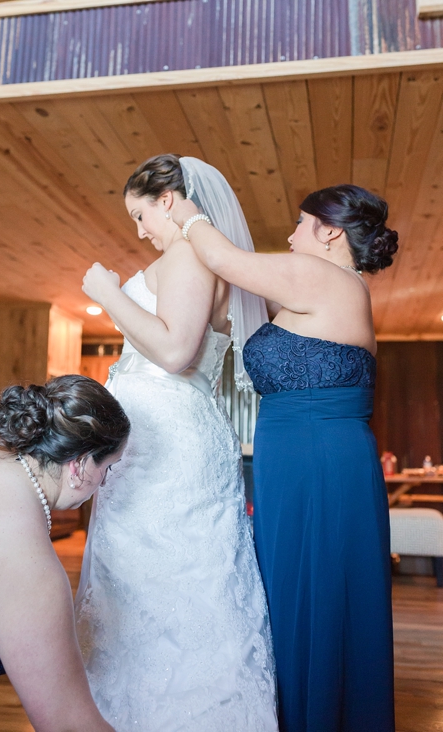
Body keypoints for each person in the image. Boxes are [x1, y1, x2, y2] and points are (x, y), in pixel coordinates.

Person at [171, 183, 398, 731]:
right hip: (300, 457)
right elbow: (237, 295)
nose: (292, 235)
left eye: (301, 224)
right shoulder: (317, 287)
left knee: (313, 590)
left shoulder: (324, 277)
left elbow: (225, 257)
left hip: (318, 459)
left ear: (331, 232)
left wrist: (187, 214)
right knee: (302, 589)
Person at [76, 154, 278, 730]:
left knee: (170, 585)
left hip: (169, 443)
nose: (139, 232)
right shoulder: (198, 255)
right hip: (165, 436)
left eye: (141, 215)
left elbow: (174, 351)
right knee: (158, 582)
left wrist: (109, 294)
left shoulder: (190, 253)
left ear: (168, 199)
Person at [0, 376, 130, 732]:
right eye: (107, 467)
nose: (106, 482)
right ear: (79, 465)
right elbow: (69, 725)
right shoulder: (32, 574)